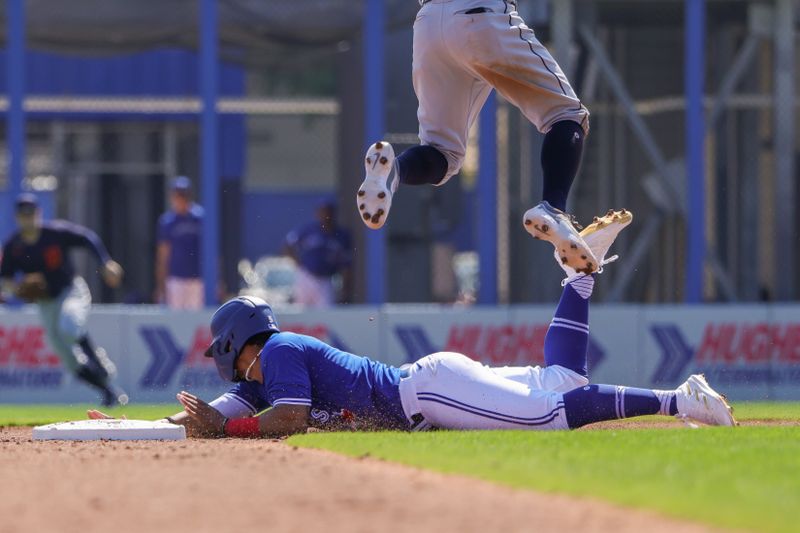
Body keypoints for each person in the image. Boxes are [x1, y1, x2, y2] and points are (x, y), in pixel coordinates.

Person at [90, 208, 736, 436]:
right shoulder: (259, 379)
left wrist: (223, 431)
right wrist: (133, 425)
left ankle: (682, 397)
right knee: (561, 376)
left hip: (425, 393)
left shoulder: (280, 350)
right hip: (427, 389)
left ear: (235, 342)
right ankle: (580, 275)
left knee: (550, 412)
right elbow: (207, 413)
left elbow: (283, 421)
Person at [357, 0, 597, 275]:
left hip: (429, 25)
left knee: (442, 152)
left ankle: (395, 171)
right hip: (480, 16)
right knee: (566, 115)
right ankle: (553, 208)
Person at [1, 193, 128, 406]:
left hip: (70, 291)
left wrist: (104, 262)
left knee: (68, 327)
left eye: (31, 213)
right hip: (45, 303)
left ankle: (101, 365)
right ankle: (108, 390)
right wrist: (14, 288)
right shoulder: (15, 246)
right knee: (67, 358)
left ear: (38, 214)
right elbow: (5, 278)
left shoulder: (55, 233)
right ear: (17, 217)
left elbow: (87, 238)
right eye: (23, 214)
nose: (28, 218)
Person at [283, 199, 352, 307]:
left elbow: (346, 264)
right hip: (306, 276)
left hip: (326, 279)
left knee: (326, 311)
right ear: (317, 213)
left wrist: (345, 290)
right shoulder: (308, 230)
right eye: (323, 211)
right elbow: (288, 245)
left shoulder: (341, 235)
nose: (326, 215)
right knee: (300, 309)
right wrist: (298, 264)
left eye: (329, 212)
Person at [155, 176, 204, 310]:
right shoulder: (167, 221)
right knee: (176, 318)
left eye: (184, 194)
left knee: (196, 319)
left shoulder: (200, 217)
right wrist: (160, 285)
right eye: (177, 195)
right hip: (175, 279)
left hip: (197, 279)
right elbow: (163, 255)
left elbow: (210, 251)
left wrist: (217, 280)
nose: (181, 198)